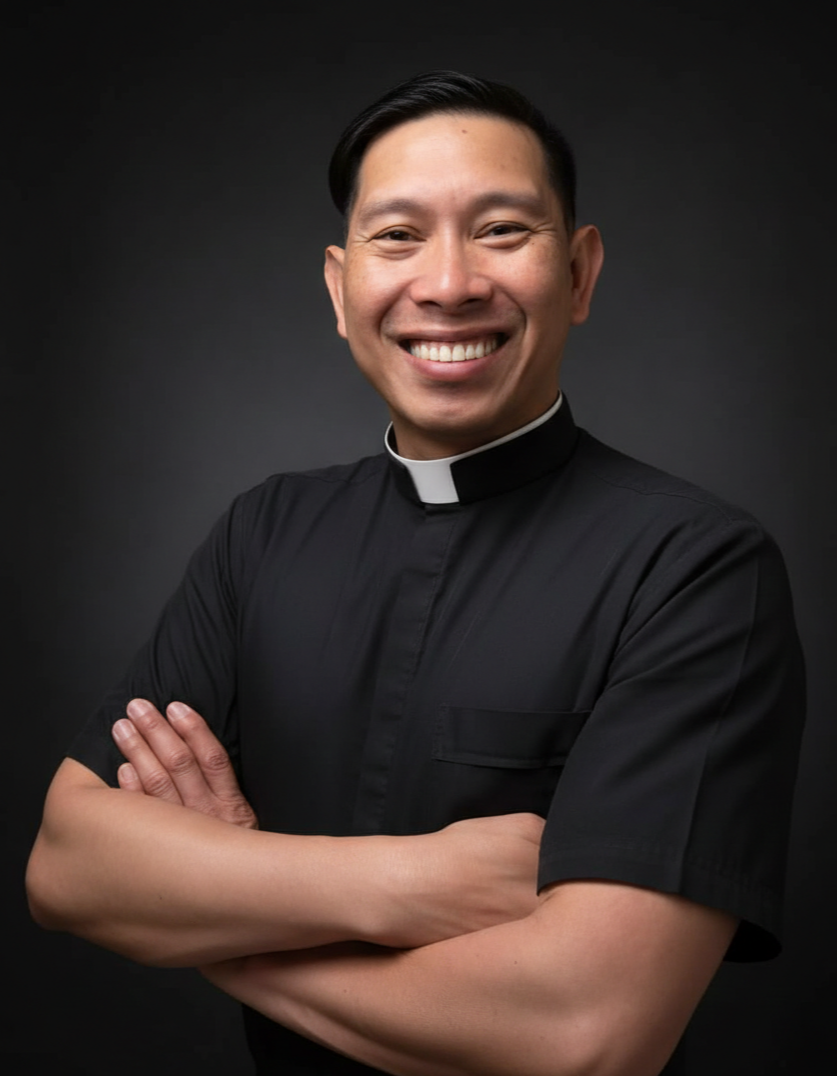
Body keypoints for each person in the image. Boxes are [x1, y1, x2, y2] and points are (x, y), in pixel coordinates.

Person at [26, 71, 805, 1076]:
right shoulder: (262, 532)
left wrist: (219, 917)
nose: (447, 284)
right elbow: (69, 868)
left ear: (579, 273)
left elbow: (586, 1034)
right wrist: (407, 881)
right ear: (338, 288)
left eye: (501, 231)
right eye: (396, 236)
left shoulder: (697, 566)